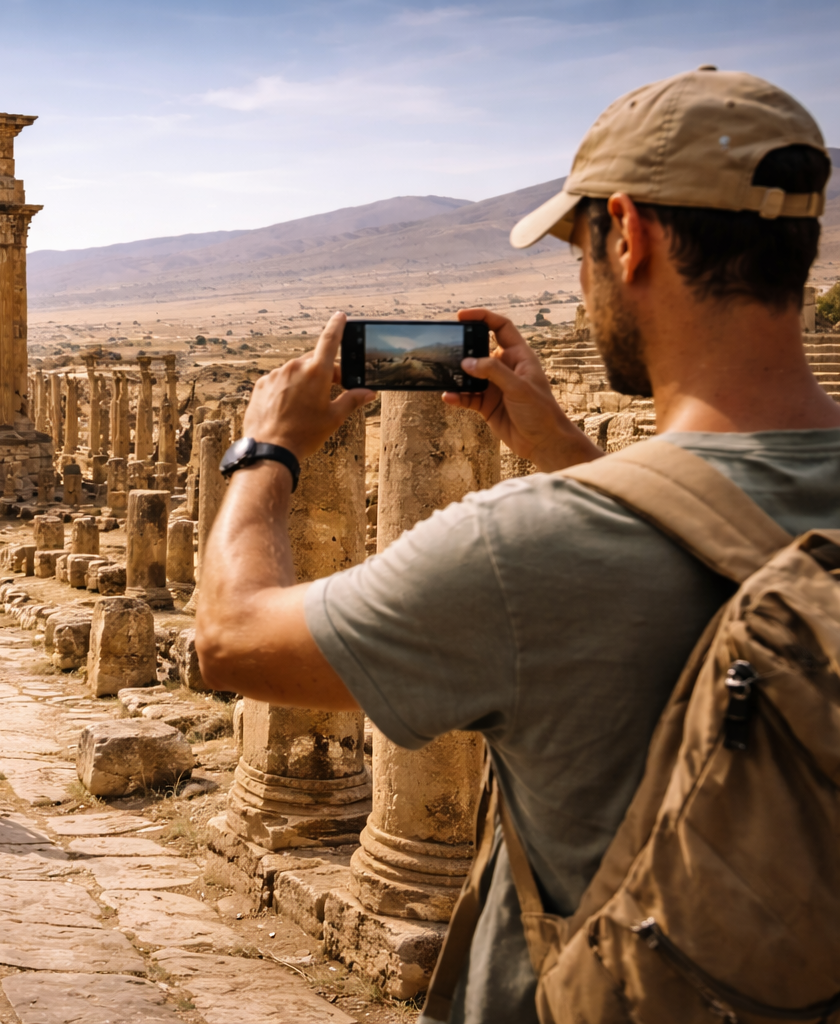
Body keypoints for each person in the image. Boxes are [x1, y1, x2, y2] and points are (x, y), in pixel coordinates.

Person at [193, 68, 838, 1023]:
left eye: (579, 250)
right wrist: (562, 451)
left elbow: (232, 640)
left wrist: (265, 452)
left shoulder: (526, 552)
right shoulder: (575, 518)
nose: (581, 285)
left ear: (632, 236)